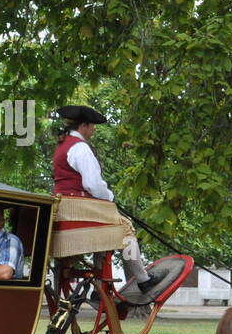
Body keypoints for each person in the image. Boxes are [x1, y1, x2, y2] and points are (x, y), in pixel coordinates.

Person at [49, 104, 158, 293]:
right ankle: (142, 279)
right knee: (125, 227)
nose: (94, 129)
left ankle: (99, 286)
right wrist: (110, 199)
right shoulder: (80, 148)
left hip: (62, 208)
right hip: (78, 208)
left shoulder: (62, 146)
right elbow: (93, 184)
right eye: (92, 125)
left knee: (106, 229)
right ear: (84, 126)